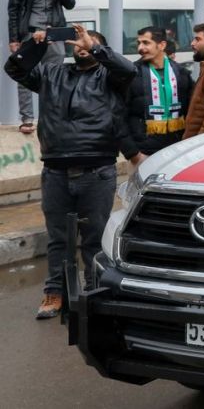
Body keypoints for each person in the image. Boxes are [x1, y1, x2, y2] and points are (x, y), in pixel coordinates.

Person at [4, 25, 136, 319]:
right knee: (58, 238)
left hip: (97, 170)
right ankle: (55, 292)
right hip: (55, 171)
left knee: (94, 237)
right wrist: (34, 45)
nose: (81, 46)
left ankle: (93, 292)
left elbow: (129, 71)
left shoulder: (111, 77)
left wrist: (97, 48)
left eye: (87, 42)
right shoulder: (52, 74)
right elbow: (15, 68)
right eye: (76, 42)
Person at [7, 0, 76, 135]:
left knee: (54, 76)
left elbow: (70, 4)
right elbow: (13, 11)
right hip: (29, 33)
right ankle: (27, 118)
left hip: (54, 33)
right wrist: (14, 38)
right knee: (25, 75)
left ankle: (51, 117)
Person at [125, 26, 195, 167]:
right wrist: (133, 154)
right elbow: (118, 115)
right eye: (138, 43)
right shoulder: (131, 74)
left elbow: (192, 111)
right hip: (143, 155)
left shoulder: (182, 73)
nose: (140, 48)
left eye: (146, 43)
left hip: (178, 152)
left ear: (162, 45)